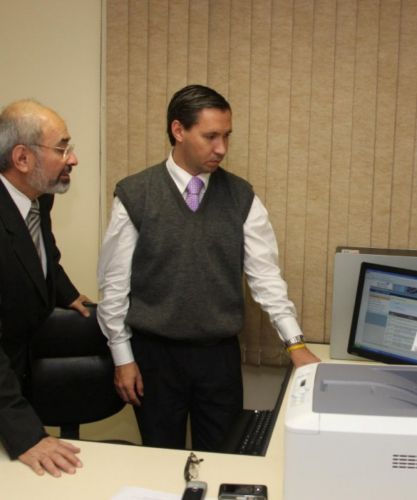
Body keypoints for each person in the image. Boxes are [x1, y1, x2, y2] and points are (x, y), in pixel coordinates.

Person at [97, 84, 320, 452]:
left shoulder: (242, 197)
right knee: (160, 457)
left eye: (226, 136)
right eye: (211, 136)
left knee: (223, 456)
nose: (222, 148)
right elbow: (114, 287)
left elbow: (266, 278)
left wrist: (294, 343)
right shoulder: (136, 194)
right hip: (154, 357)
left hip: (218, 358)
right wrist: (122, 358)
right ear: (178, 130)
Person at [0, 99, 91, 476]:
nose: (73, 159)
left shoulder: (39, 198)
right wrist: (26, 435)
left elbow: (42, 251)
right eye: (62, 148)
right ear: (22, 158)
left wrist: (67, 294)